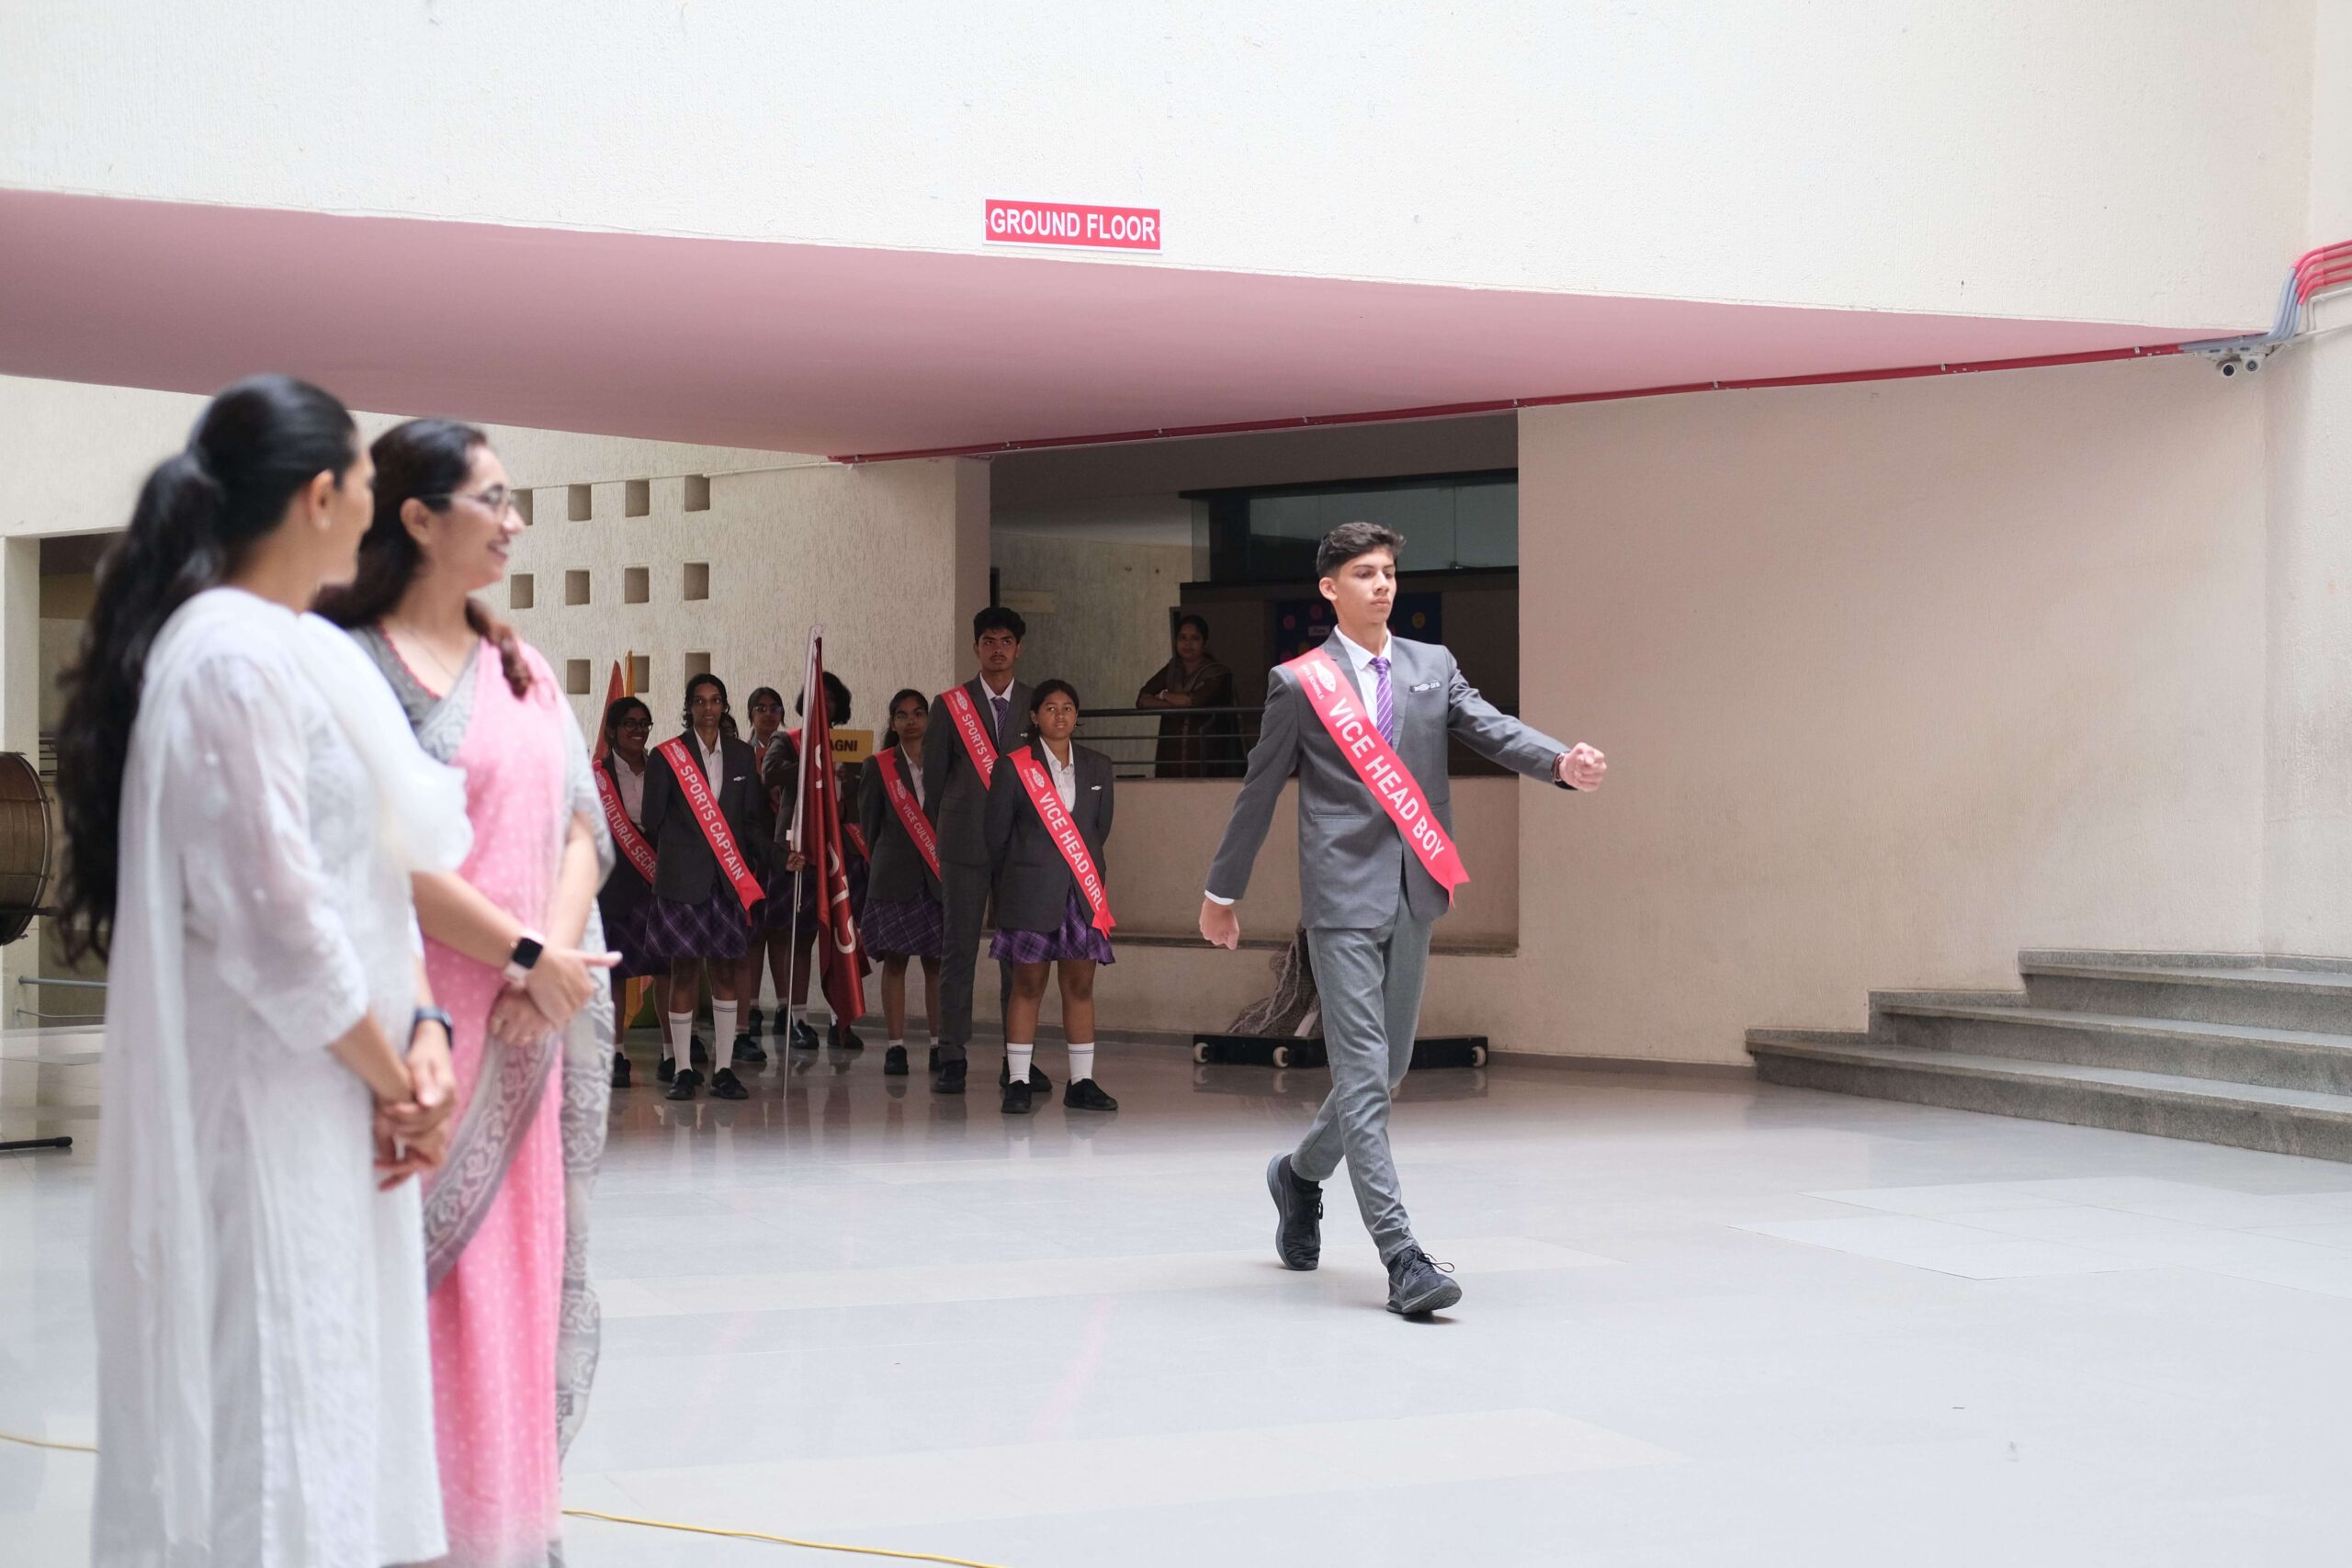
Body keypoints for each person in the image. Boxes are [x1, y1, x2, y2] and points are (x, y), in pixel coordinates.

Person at [62, 376, 466, 1567]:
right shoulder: (228, 657)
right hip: (271, 1096)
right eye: (368, 483)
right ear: (319, 494)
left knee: (330, 1406)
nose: (378, 510)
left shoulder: (297, 649)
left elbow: (375, 873)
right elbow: (274, 913)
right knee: (272, 1425)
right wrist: (399, 1077)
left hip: (339, 1096)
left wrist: (427, 1027)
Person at [322, 417, 621, 1567]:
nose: (512, 522)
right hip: (418, 1035)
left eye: (515, 501)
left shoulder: (521, 664)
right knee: (425, 1299)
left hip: (531, 1033)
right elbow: (380, 859)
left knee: (527, 1291)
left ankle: (511, 1535)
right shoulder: (355, 668)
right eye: (491, 500)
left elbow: (583, 821)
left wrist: (549, 954)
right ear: (415, 517)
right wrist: (520, 957)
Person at [1201, 521, 1607, 1318]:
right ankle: (1402, 1256)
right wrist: (1223, 892)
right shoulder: (1300, 681)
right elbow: (1257, 793)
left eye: (1388, 572)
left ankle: (1299, 1174)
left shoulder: (1432, 666)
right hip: (1342, 900)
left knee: (1385, 1073)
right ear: (1330, 589)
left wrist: (1558, 762)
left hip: (1417, 886)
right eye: (1363, 573)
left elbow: (1490, 726)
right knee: (1361, 1074)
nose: (1382, 585)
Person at [985, 681, 1120, 1115]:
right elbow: (996, 836)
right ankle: (1019, 1080)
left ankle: (1081, 1083)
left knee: (1080, 986)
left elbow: (1100, 830)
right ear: (1034, 716)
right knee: (1027, 986)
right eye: (1050, 708)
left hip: (1081, 891)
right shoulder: (1012, 767)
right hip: (1028, 892)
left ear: (1077, 716)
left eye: (1067, 708)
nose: (1059, 716)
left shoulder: (1100, 766)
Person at [926, 606, 1043, 1095]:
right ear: (976, 648)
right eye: (989, 640)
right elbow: (932, 782)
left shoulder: (1039, 703)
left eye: (1006, 641)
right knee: (959, 949)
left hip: (1021, 848)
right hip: (964, 845)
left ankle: (1016, 1059)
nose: (997, 649)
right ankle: (951, 1052)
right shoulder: (949, 704)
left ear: (1018, 649)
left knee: (1017, 956)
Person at [642, 672, 772, 1101]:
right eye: (699, 701)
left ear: (725, 705)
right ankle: (681, 1069)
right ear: (688, 707)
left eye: (715, 700)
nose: (708, 708)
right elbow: (652, 818)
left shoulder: (739, 756)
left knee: (724, 971)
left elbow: (750, 822)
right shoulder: (667, 756)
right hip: (682, 881)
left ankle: (723, 1070)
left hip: (727, 881)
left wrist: (773, 856)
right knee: (683, 971)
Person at [762, 671, 869, 1052]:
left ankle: (843, 1019)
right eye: (816, 697)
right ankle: (798, 1019)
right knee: (800, 938)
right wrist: (814, 766)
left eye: (831, 699)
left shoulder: (851, 745)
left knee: (843, 939)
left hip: (840, 855)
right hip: (799, 853)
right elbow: (769, 772)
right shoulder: (788, 740)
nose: (824, 704)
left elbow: (860, 799)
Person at [859, 687, 946, 1076]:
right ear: (892, 723)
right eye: (902, 715)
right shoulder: (878, 766)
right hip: (893, 877)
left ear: (928, 719)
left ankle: (938, 1044)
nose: (911, 721)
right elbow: (870, 825)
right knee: (894, 963)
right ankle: (895, 1046)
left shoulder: (946, 761)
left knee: (936, 964)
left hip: (938, 875)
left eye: (918, 713)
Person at [597, 695, 665, 1088]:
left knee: (667, 969)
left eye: (644, 724)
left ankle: (673, 1056)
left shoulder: (663, 768)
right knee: (616, 976)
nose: (638, 731)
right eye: (630, 724)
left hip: (659, 883)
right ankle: (616, 1055)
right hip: (615, 887)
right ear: (612, 731)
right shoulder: (597, 776)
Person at [729, 683, 791, 1066]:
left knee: (782, 933)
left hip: (785, 852)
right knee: (751, 937)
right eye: (761, 708)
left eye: (775, 707)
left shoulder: (794, 748)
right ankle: (749, 1008)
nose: (768, 714)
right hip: (749, 855)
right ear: (750, 714)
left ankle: (786, 1009)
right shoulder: (740, 755)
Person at [1136, 612, 1238, 777]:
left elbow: (1194, 701)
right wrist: (1174, 704)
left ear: (1205, 643)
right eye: (1182, 638)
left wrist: (1163, 696)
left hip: (1206, 754)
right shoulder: (1172, 669)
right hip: (1171, 755)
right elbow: (1142, 700)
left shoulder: (1218, 673)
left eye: (1194, 638)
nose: (1187, 643)